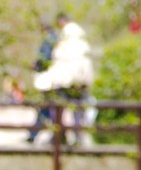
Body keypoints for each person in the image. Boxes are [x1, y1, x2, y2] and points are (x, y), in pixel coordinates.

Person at [31, 13, 95, 145]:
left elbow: (54, 59)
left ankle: (59, 135)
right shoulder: (81, 41)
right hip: (80, 80)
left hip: (65, 80)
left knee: (58, 106)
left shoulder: (63, 40)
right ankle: (77, 136)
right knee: (78, 109)